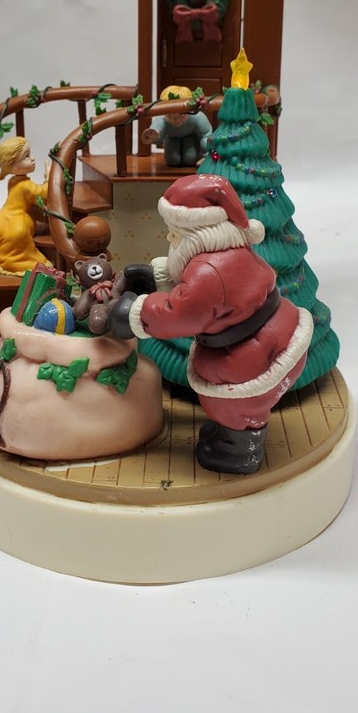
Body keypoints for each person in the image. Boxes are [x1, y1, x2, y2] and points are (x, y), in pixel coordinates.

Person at [109, 173, 313, 474]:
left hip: (252, 354)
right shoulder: (227, 251)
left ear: (199, 232)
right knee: (230, 402)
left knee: (235, 404)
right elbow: (197, 287)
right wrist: (157, 279)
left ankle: (238, 451)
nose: (170, 239)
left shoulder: (210, 271)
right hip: (270, 334)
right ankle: (229, 433)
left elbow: (183, 312)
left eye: (176, 232)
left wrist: (134, 313)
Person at [0, 136, 51, 275]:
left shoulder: (13, 181)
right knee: (16, 238)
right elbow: (43, 194)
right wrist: (48, 179)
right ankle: (14, 261)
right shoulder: (26, 185)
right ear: (14, 166)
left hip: (2, 215)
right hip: (17, 218)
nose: (33, 158)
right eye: (26, 156)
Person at [141, 85, 212, 166]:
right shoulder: (162, 119)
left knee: (190, 158)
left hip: (191, 137)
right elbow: (157, 132)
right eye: (169, 115)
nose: (175, 120)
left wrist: (206, 155)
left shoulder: (197, 117)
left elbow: (206, 134)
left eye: (181, 114)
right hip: (171, 138)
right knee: (173, 160)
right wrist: (154, 136)